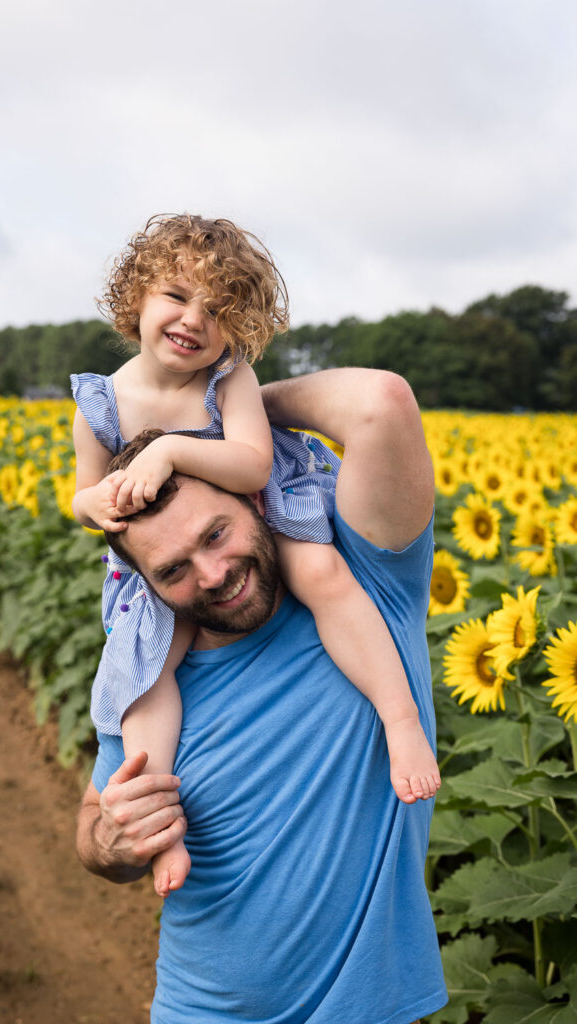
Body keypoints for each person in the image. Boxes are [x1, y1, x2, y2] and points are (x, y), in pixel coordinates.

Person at [71, 214, 440, 898]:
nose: (193, 321)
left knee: (324, 573)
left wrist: (171, 449)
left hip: (267, 502)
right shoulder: (100, 397)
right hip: (143, 560)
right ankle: (159, 830)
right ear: (136, 298)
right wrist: (92, 507)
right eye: (177, 296)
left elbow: (248, 465)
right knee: (148, 675)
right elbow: (84, 494)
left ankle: (400, 721)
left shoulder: (228, 379)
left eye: (219, 311)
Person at [76, 368, 447, 1024]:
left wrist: (219, 419)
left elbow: (379, 403)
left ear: (254, 501)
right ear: (143, 588)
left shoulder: (369, 584)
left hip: (367, 1008)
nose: (213, 575)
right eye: (172, 570)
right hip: (199, 1009)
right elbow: (91, 832)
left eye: (214, 534)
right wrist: (117, 835)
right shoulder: (146, 665)